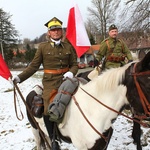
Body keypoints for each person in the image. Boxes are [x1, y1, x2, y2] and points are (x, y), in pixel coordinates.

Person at [13, 17, 78, 150]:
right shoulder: (42, 47)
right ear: (49, 33)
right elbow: (33, 66)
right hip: (51, 82)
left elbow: (74, 65)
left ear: (62, 31)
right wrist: (19, 78)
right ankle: (54, 139)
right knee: (49, 106)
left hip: (68, 79)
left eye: (58, 29)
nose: (56, 32)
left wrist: (71, 72)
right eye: (53, 30)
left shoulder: (68, 46)